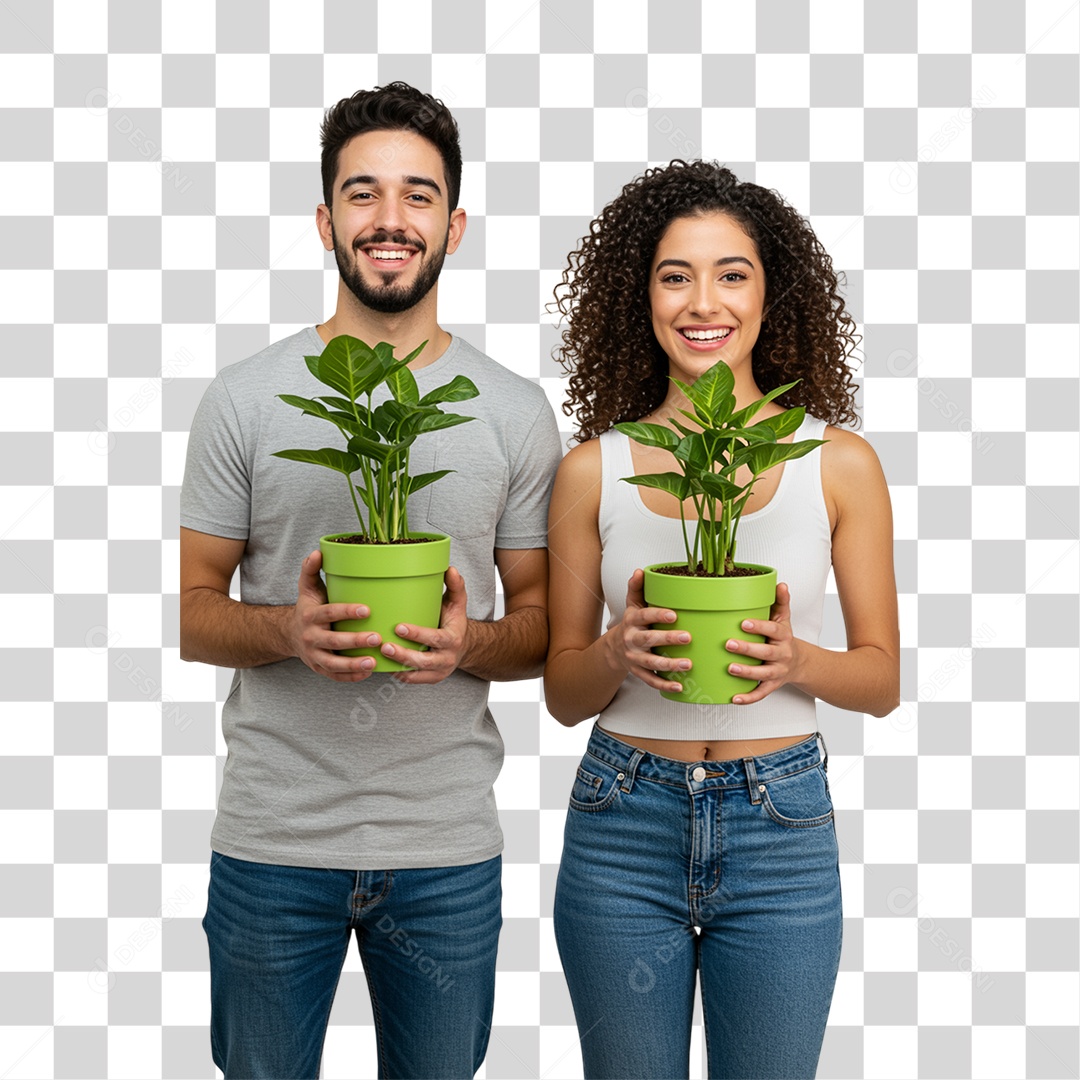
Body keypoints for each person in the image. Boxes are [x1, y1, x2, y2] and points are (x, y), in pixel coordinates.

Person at [180, 82, 561, 1080]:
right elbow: (192, 611)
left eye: (418, 196)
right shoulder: (244, 399)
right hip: (272, 840)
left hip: (445, 844)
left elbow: (543, 628)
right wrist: (285, 632)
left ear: (456, 225)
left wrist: (465, 643)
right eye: (362, 194)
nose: (390, 219)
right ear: (325, 220)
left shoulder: (513, 412)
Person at [544, 159, 899, 1079]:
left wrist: (796, 661)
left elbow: (883, 680)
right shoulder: (595, 468)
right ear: (643, 298)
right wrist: (617, 650)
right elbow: (561, 693)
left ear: (771, 294)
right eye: (676, 275)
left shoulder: (840, 461)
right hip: (623, 820)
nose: (705, 301)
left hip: (780, 824)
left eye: (731, 273)